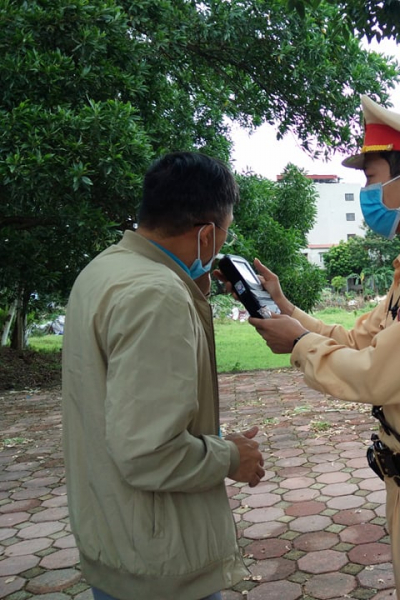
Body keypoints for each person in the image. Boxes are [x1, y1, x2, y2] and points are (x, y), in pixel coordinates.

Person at [238, 95, 400, 600]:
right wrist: (287, 309)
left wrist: (299, 345)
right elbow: (363, 339)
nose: (364, 190)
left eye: (371, 177)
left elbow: (381, 374)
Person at [62, 152, 266, 600]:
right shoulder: (157, 295)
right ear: (208, 234)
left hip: (117, 536)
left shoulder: (104, 270)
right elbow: (149, 453)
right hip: (161, 559)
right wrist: (231, 458)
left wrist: (191, 289)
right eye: (224, 233)